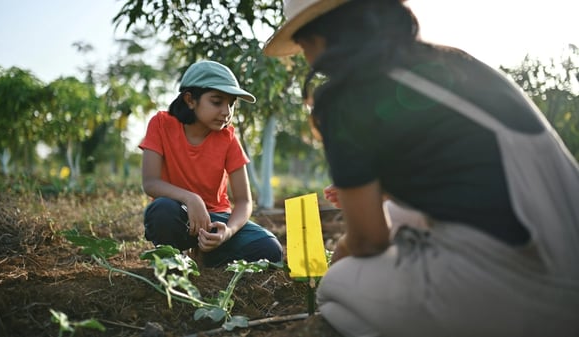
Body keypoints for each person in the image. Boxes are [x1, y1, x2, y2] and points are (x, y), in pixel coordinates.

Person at [264, 0, 579, 336]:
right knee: (401, 216)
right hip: (566, 254)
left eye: (302, 43)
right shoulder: (454, 61)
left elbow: (370, 240)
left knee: (336, 287)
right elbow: (466, 171)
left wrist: (341, 253)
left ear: (321, 35)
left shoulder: (346, 96)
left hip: (528, 287)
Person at [139, 60, 283, 268]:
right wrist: (190, 199)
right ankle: (174, 260)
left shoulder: (228, 138)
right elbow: (150, 183)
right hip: (179, 217)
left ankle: (207, 253)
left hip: (216, 221)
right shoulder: (161, 124)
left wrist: (228, 232)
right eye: (217, 102)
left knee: (269, 249)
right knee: (162, 210)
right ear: (190, 100)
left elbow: (243, 201)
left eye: (231, 103)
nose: (227, 111)